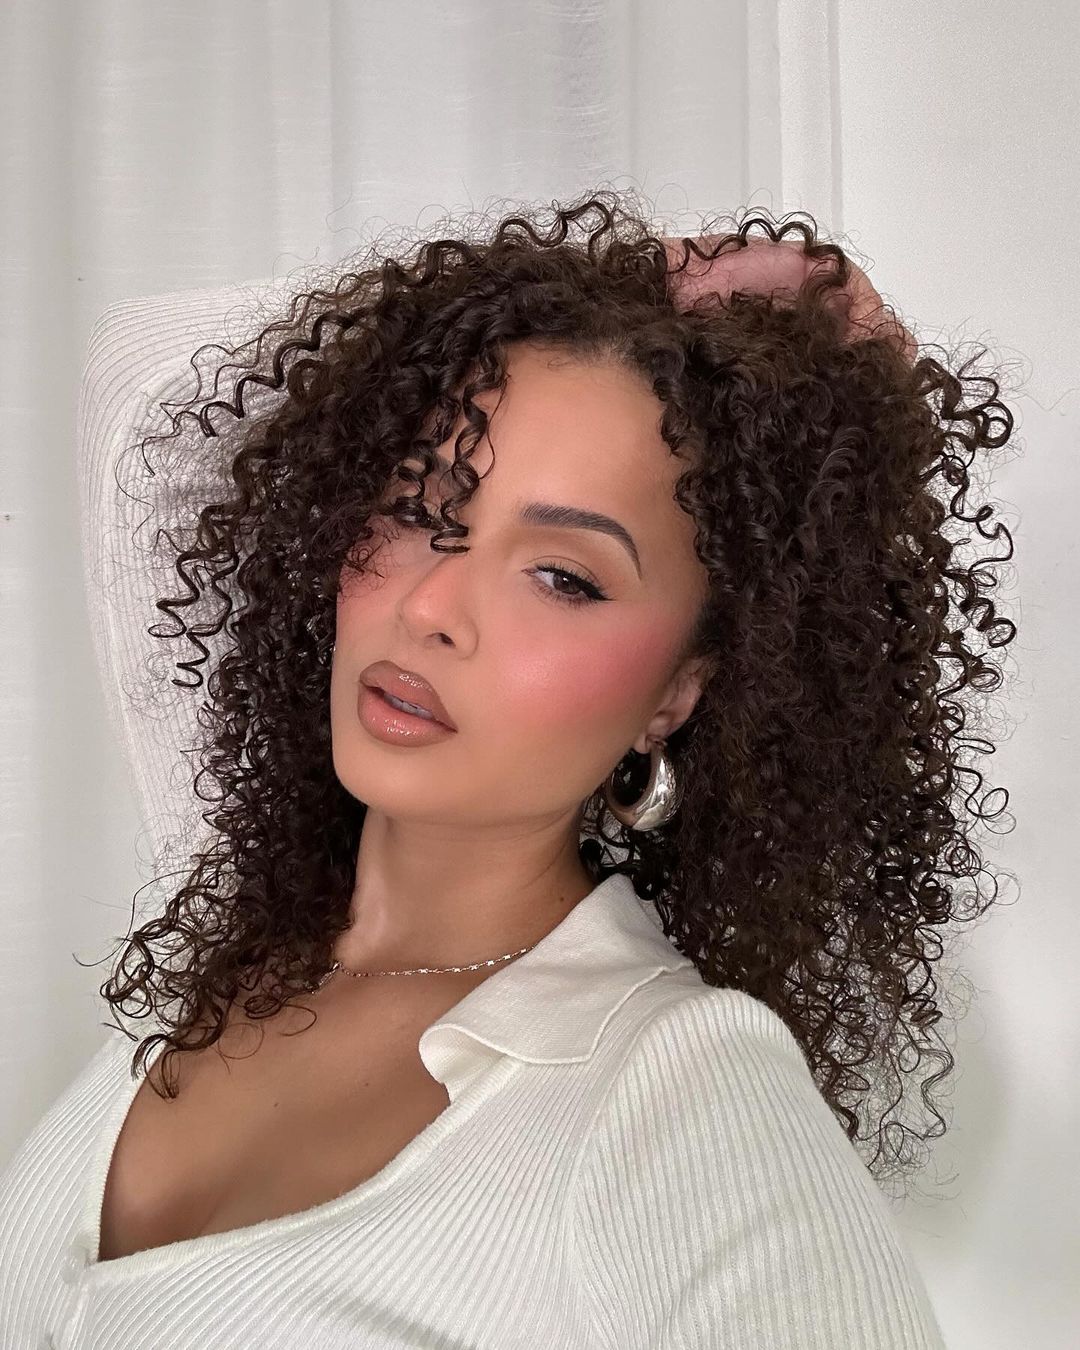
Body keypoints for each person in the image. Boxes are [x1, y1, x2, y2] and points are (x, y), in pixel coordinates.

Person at [0, 189, 1015, 1348]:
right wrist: (626, 289)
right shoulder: (233, 938)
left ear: (678, 692)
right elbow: (146, 394)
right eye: (420, 507)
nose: (434, 606)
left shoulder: (673, 1087)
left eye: (564, 577)